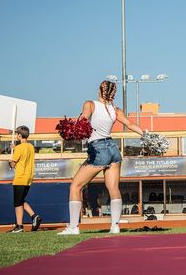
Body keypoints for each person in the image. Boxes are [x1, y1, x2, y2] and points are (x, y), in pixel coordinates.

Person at [58, 80, 144, 235]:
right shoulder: (115, 110)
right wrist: (148, 135)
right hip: (113, 149)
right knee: (113, 188)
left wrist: (71, 132)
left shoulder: (90, 104)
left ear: (99, 90)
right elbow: (130, 124)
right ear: (112, 93)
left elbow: (83, 122)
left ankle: (73, 227)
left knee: (75, 187)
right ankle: (115, 226)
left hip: (98, 150)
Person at [7, 126, 42, 233]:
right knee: (21, 200)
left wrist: (10, 160)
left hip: (20, 177)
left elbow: (13, 164)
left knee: (17, 203)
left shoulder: (19, 148)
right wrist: (15, 147)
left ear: (19, 136)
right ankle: (34, 216)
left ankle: (19, 226)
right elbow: (23, 152)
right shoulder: (31, 146)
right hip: (28, 177)